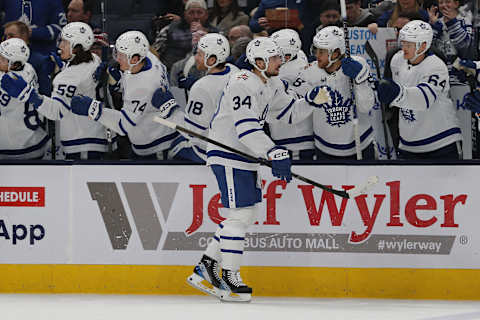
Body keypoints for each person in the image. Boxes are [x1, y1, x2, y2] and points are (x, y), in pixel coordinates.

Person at [184, 37, 329, 302]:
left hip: (245, 155)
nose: (280, 62)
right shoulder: (242, 83)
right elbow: (245, 127)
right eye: (274, 59)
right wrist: (273, 151)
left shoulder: (271, 82)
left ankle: (206, 266)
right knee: (238, 215)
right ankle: (229, 276)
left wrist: (310, 101)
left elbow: (288, 113)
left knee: (245, 215)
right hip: (228, 153)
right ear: (259, 62)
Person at [1, 22, 115, 160]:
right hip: (97, 135)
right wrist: (65, 67)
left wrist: (29, 94)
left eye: (65, 42)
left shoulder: (66, 78)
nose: (60, 46)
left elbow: (56, 111)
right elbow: (81, 80)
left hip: (82, 141)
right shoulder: (94, 60)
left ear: (77, 47)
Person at [67, 31, 181, 160]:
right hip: (154, 134)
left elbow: (124, 125)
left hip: (156, 147)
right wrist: (117, 80)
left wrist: (93, 109)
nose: (117, 58)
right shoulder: (149, 57)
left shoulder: (142, 87)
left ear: (135, 59)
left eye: (121, 55)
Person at [377, 20, 462, 160]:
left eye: (409, 44)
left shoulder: (436, 66)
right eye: (403, 43)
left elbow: (424, 100)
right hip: (408, 144)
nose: (404, 47)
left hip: (441, 143)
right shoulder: (397, 60)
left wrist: (397, 93)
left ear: (423, 46)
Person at [293, 26, 376, 160]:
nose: (317, 55)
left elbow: (366, 106)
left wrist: (360, 80)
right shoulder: (309, 72)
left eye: (322, 51)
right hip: (325, 147)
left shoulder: (358, 64)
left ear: (336, 53)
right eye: (316, 50)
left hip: (360, 144)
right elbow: (297, 110)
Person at [170, 33, 239, 163]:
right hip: (236, 143)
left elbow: (192, 132)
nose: (195, 58)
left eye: (200, 54)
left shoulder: (201, 87)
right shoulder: (234, 70)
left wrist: (168, 108)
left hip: (212, 152)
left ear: (212, 60)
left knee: (174, 147)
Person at [268, 28, 314, 160]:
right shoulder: (298, 56)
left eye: (275, 53)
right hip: (282, 135)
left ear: (287, 56)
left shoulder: (294, 72)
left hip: (295, 140)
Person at [0, 38, 48, 159]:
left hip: (14, 147)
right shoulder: (28, 68)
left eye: (2, 58)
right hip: (35, 140)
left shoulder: (7, 82)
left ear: (14, 64)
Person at [153, 0, 219, 71]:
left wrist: (206, 36)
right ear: (185, 14)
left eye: (199, 13)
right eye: (191, 13)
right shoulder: (169, 29)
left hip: (203, 71)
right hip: (171, 70)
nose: (195, 16)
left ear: (206, 15)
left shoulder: (215, 33)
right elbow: (156, 51)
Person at [0, 0, 67, 55]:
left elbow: (61, 29)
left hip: (42, 55)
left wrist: (33, 32)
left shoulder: (53, 2)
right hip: (8, 54)